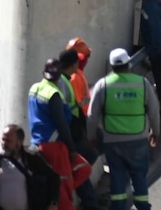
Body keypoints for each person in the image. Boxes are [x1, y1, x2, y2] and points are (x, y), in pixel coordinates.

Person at [87, 48, 160, 210]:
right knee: (139, 176)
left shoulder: (103, 85)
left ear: (112, 66)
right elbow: (154, 111)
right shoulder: (142, 83)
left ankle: (118, 206)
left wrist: (91, 136)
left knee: (117, 176)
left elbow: (92, 115)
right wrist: (156, 132)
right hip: (138, 139)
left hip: (113, 141)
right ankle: (142, 206)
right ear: (128, 63)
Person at [0, 124, 61, 210]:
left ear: (19, 142)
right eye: (3, 140)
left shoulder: (31, 159)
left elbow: (54, 178)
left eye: (8, 141)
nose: (4, 144)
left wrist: (53, 203)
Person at [28, 59, 81, 210]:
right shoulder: (54, 94)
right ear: (59, 76)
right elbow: (62, 124)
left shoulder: (34, 88)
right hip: (54, 146)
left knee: (48, 183)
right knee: (62, 187)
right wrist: (71, 148)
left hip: (37, 143)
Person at [56, 50, 101, 210]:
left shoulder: (66, 79)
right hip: (70, 135)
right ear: (73, 64)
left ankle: (90, 202)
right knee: (86, 161)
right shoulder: (64, 81)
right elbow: (65, 113)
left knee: (79, 168)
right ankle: (90, 203)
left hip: (73, 132)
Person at [65, 38, 93, 117]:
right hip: (79, 118)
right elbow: (77, 104)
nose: (87, 60)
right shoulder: (75, 76)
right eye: (87, 56)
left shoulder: (77, 74)